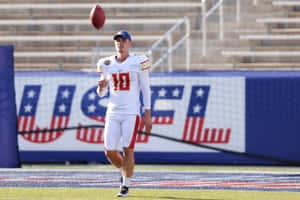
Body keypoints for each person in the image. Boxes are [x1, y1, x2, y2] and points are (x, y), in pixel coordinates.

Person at [96, 30, 152, 197]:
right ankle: (125, 172)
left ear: (130, 43)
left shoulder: (138, 61)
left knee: (128, 149)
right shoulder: (106, 63)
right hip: (113, 111)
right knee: (109, 151)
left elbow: (145, 89)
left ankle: (125, 186)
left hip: (131, 112)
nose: (120, 43)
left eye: (123, 40)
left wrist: (147, 114)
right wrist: (101, 87)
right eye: (117, 41)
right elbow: (101, 93)